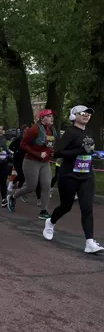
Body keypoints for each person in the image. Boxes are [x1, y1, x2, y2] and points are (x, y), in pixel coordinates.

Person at [43, 106, 103, 254]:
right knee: (66, 206)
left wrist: (95, 154)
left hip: (86, 175)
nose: (86, 116)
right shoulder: (69, 133)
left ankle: (89, 242)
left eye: (88, 114)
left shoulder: (90, 132)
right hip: (69, 175)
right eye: (82, 113)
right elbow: (57, 152)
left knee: (87, 208)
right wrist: (80, 151)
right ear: (73, 116)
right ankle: (50, 222)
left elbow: (89, 150)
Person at [7, 109, 57, 219]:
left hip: (44, 163)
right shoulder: (34, 129)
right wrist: (38, 154)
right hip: (31, 161)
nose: (52, 118)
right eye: (49, 116)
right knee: (31, 186)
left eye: (52, 116)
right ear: (42, 118)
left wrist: (50, 153)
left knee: (46, 185)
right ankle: (13, 197)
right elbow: (23, 145)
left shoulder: (52, 130)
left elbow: (50, 145)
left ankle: (44, 210)